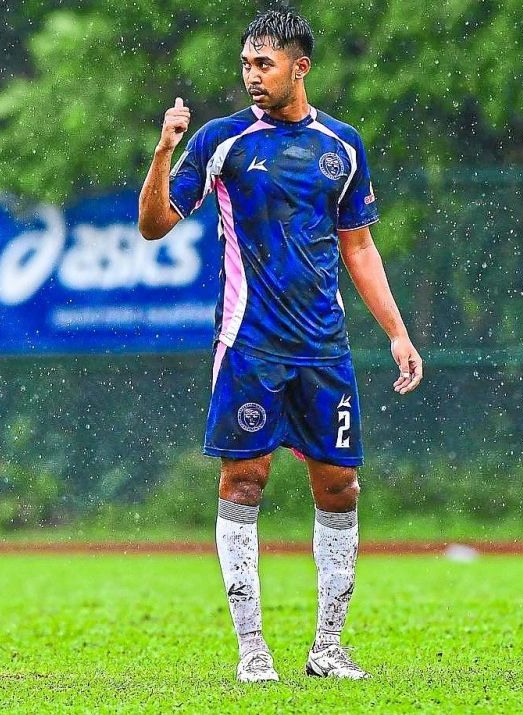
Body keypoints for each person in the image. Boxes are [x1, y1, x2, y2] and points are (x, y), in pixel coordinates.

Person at [138, 7, 423, 682]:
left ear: (301, 66)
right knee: (245, 478)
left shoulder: (343, 146)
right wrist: (164, 149)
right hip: (250, 344)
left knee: (341, 485)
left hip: (324, 348)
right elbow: (153, 225)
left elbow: (359, 246)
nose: (252, 76)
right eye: (245, 64)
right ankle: (252, 649)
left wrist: (397, 332)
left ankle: (327, 647)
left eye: (264, 64)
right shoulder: (223, 140)